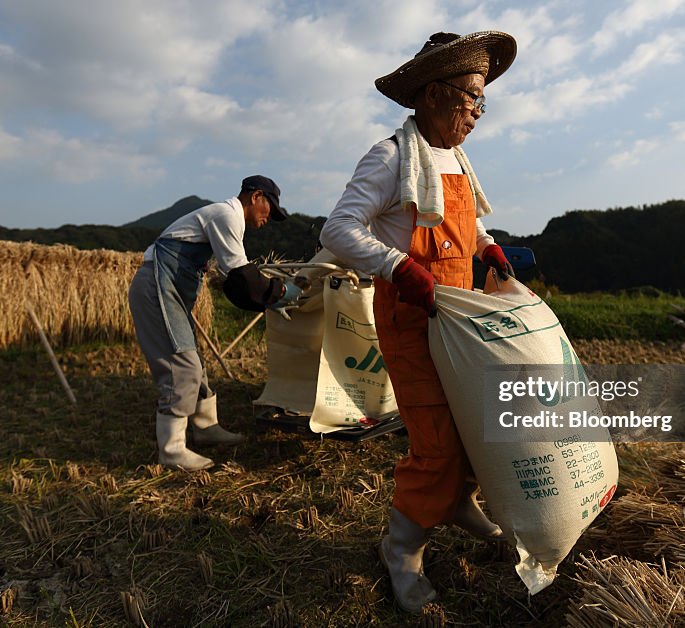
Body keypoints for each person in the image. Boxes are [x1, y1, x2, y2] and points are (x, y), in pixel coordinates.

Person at [320, 31, 518, 612]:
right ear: (433, 94)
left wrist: (489, 249)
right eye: (471, 98)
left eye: (483, 101)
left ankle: (456, 503)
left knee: (474, 427)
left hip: (458, 319)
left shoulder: (454, 158)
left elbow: (463, 226)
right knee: (435, 441)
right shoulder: (390, 157)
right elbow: (337, 230)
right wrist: (397, 265)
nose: (478, 113)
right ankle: (401, 551)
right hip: (411, 316)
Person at [128, 175, 297, 471]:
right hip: (157, 287)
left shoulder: (224, 221)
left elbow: (234, 283)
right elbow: (242, 275)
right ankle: (172, 450)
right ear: (256, 197)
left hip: (171, 292)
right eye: (270, 208)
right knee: (181, 364)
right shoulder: (227, 215)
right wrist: (280, 292)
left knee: (196, 363)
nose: (269, 218)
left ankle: (206, 428)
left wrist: (268, 300)